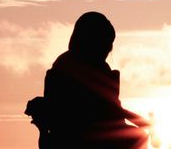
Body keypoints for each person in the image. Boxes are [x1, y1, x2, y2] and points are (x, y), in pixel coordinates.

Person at [26, 12, 149, 149]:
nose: (109, 49)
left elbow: (114, 110)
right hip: (82, 135)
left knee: (138, 136)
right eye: (106, 43)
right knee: (138, 137)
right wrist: (142, 122)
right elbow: (106, 110)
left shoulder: (73, 65)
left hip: (92, 133)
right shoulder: (72, 68)